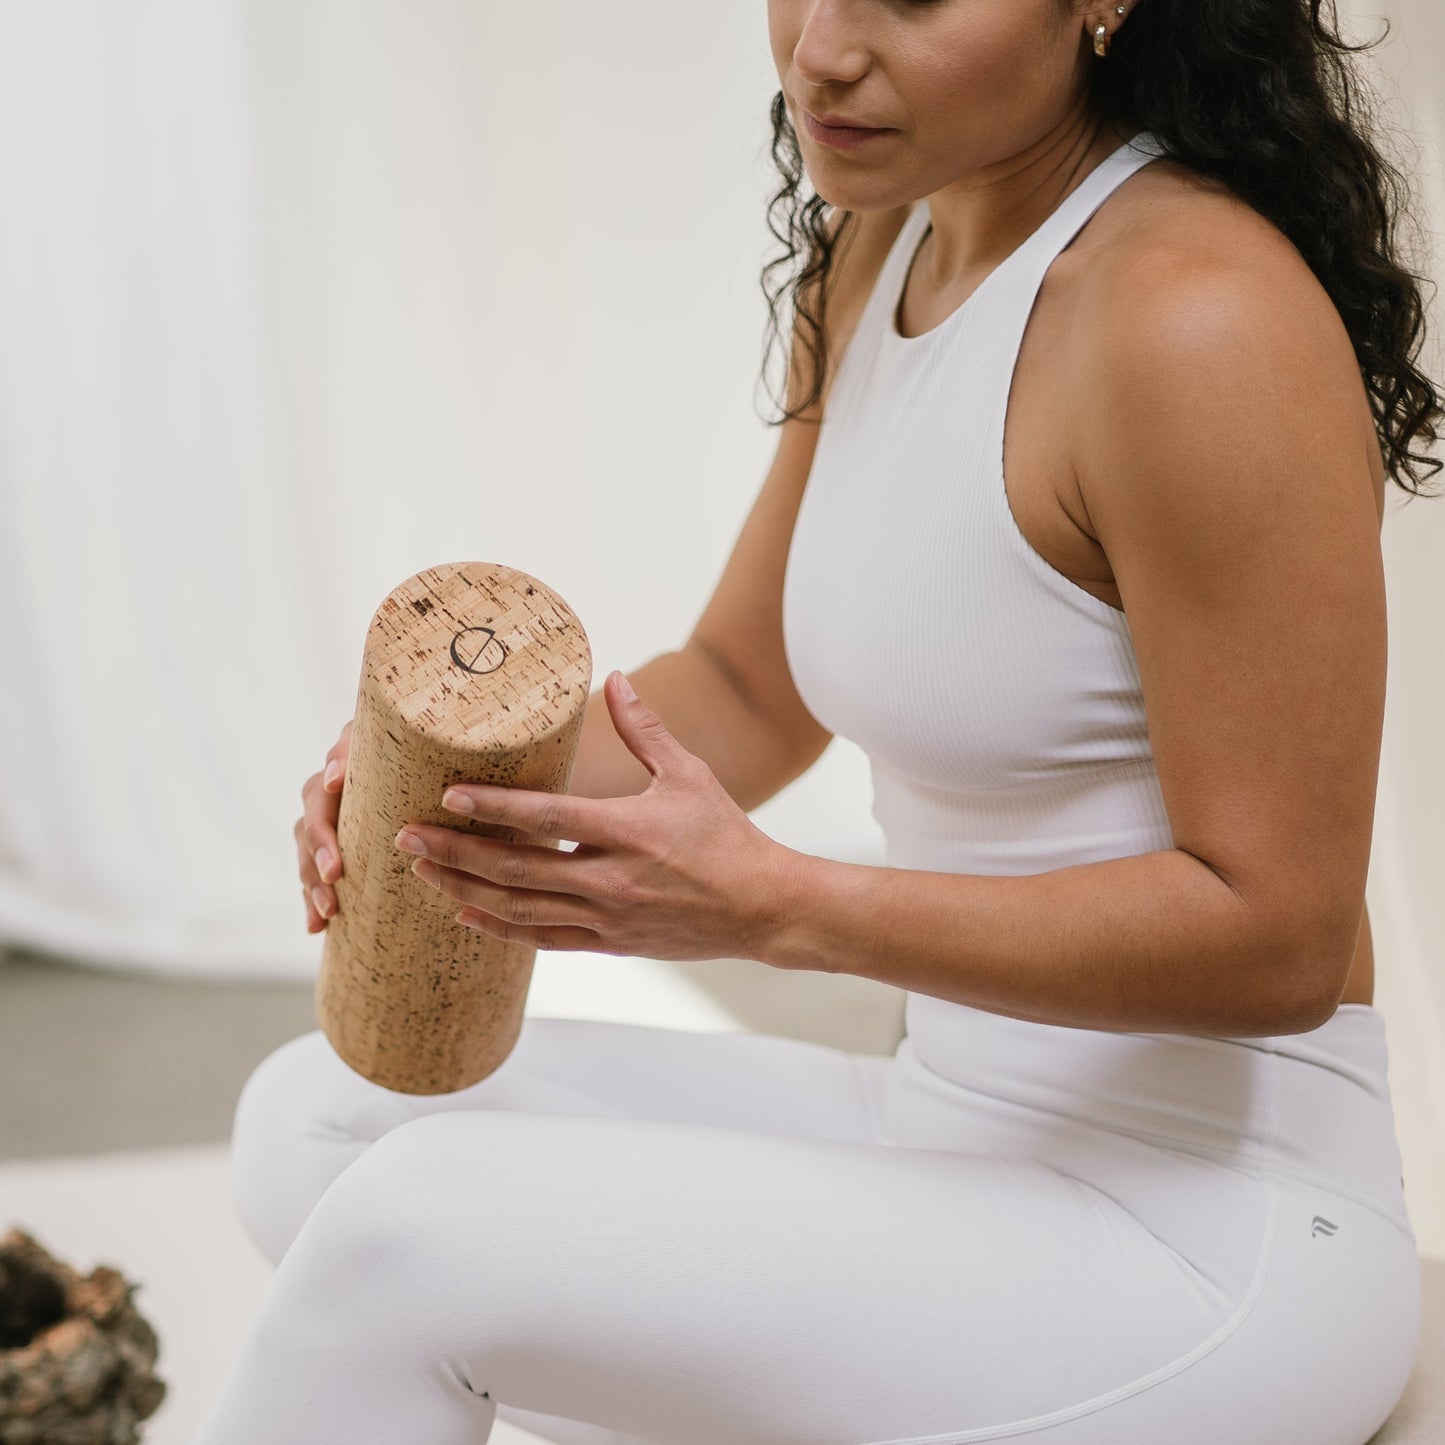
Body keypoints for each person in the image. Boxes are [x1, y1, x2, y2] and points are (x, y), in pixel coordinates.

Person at [194, 2, 1443, 1442]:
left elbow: (1276, 934)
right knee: (321, 1124)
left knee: (418, 1232)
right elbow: (740, 685)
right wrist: (431, 795)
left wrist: (776, 908)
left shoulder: (1194, 316)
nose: (821, 52)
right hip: (953, 1123)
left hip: (1210, 1231)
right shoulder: (883, 246)